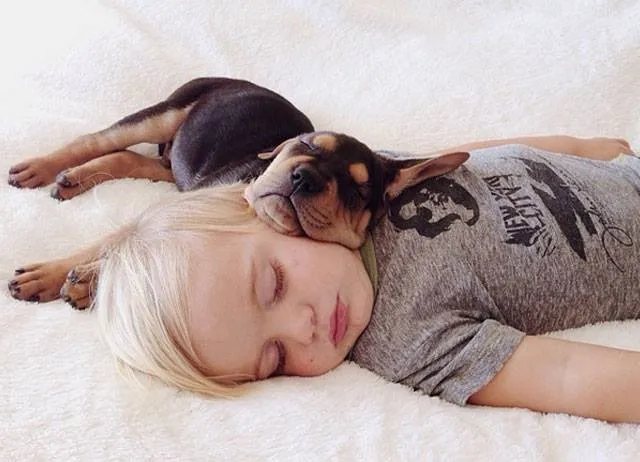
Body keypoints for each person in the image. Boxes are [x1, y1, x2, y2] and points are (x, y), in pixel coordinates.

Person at [94, 135, 640, 423]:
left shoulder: (339, 185)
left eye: (275, 285)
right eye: (276, 359)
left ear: (261, 208)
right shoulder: (405, 339)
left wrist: (573, 144)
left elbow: (472, 153)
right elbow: (565, 374)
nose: (305, 327)